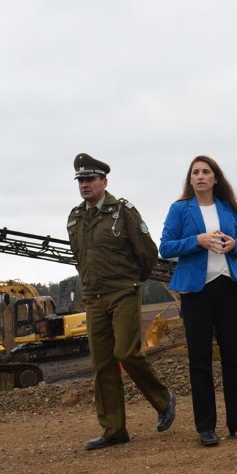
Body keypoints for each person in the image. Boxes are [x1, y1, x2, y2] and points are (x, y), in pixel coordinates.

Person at [66, 153, 177, 450]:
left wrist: (131, 280)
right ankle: (114, 430)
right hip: (93, 297)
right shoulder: (75, 218)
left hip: (123, 292)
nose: (85, 185)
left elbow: (147, 253)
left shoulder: (122, 211)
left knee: (126, 352)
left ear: (104, 181)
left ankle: (164, 399)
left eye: (90, 179)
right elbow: (80, 258)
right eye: (81, 180)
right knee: (102, 365)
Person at [159, 155, 237, 447]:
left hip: (226, 287)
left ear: (215, 178)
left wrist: (234, 244)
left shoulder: (228, 209)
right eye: (195, 172)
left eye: (206, 172)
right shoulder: (179, 209)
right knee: (199, 361)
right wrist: (197, 241)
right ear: (190, 180)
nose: (200, 176)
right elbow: (165, 247)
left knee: (233, 358)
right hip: (195, 292)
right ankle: (205, 427)